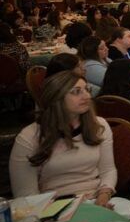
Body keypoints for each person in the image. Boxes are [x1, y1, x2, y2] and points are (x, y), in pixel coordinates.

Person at [9, 71, 121, 208]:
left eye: (87, 89)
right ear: (56, 97)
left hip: (94, 199)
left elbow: (107, 170)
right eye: (76, 92)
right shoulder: (29, 137)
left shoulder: (99, 125)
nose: (87, 96)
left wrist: (104, 196)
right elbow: (25, 194)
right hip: (52, 206)